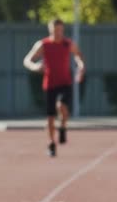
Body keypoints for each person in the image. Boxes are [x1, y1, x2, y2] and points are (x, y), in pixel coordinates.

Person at [23, 18, 85, 157]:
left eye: (60, 30)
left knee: (61, 106)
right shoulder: (43, 44)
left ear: (63, 30)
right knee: (50, 117)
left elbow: (78, 56)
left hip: (65, 82)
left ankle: (63, 127)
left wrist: (81, 67)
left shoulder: (67, 44)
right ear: (50, 30)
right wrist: (35, 66)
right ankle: (52, 143)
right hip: (50, 84)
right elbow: (27, 60)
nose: (57, 33)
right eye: (54, 30)